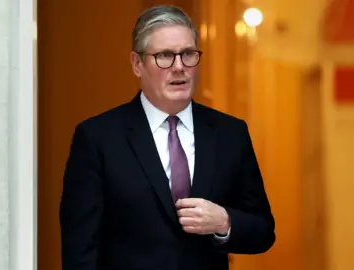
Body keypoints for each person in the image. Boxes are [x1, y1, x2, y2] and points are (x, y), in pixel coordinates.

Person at [59, 5, 275, 270]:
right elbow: (80, 252)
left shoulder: (230, 133)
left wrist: (224, 222)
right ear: (137, 64)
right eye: (164, 56)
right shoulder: (97, 139)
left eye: (187, 54)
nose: (179, 67)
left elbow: (263, 231)